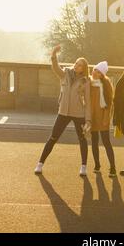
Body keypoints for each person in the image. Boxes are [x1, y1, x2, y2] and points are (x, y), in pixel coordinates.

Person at [34, 45, 91, 177]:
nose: (77, 65)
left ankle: (83, 166)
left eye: (80, 65)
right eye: (76, 63)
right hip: (63, 113)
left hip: (78, 114)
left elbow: (88, 102)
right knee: (53, 138)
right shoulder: (65, 73)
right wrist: (54, 54)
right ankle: (40, 164)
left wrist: (88, 120)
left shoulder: (86, 81)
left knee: (82, 139)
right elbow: (55, 67)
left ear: (84, 69)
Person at [90, 61, 116, 177]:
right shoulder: (89, 83)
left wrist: (107, 119)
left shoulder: (106, 85)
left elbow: (109, 104)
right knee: (94, 142)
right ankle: (97, 165)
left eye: (98, 72)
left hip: (103, 117)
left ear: (102, 75)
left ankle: (113, 167)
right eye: (95, 69)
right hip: (93, 117)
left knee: (106, 143)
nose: (95, 72)